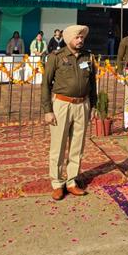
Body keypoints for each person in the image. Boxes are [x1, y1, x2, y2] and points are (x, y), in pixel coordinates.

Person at [41, 25, 96, 200]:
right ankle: (57, 183)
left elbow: (93, 84)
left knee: (77, 145)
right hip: (62, 105)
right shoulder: (55, 57)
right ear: (68, 39)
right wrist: (47, 110)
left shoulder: (88, 57)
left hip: (82, 105)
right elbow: (45, 85)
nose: (80, 40)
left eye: (82, 38)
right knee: (58, 145)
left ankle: (72, 181)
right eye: (77, 37)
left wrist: (92, 107)